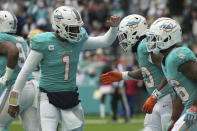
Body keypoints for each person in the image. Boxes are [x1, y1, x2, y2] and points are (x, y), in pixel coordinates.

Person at [8, 6, 120, 131]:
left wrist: (114, 28)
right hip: (48, 96)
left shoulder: (77, 41)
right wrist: (13, 101)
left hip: (71, 96)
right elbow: (24, 72)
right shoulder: (45, 43)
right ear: (59, 26)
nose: (77, 31)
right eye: (73, 28)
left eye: (78, 27)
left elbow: (105, 41)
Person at [100, 14, 174, 130]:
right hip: (159, 100)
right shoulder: (141, 47)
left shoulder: (145, 46)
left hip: (169, 98)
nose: (123, 38)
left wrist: (156, 95)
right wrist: (122, 75)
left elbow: (170, 71)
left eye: (124, 34)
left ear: (134, 32)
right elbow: (147, 71)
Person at [146, 17, 197, 130]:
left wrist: (194, 107)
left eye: (154, 38)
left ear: (167, 38)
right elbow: (179, 94)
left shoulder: (177, 56)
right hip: (189, 110)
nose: (150, 41)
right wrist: (174, 119)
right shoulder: (166, 60)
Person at [0, 11, 39, 131]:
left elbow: (13, 51)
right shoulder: (20, 39)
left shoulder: (2, 37)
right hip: (32, 86)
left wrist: (6, 75)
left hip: (16, 88)